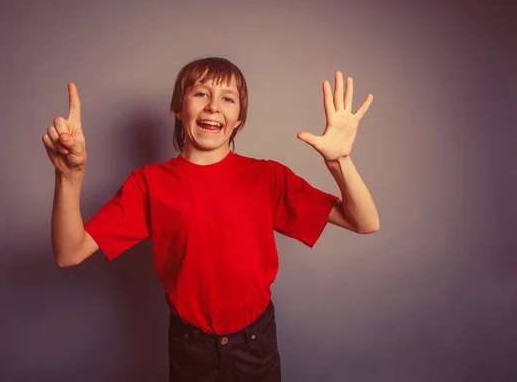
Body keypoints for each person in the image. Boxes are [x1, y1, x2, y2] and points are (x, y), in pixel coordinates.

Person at [42, 57, 379, 382]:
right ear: (178, 107)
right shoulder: (149, 184)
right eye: (201, 92)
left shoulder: (267, 177)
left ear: (238, 118)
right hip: (191, 349)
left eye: (227, 98)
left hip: (255, 344)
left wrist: (341, 161)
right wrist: (70, 177)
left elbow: (364, 222)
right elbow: (69, 252)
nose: (213, 105)